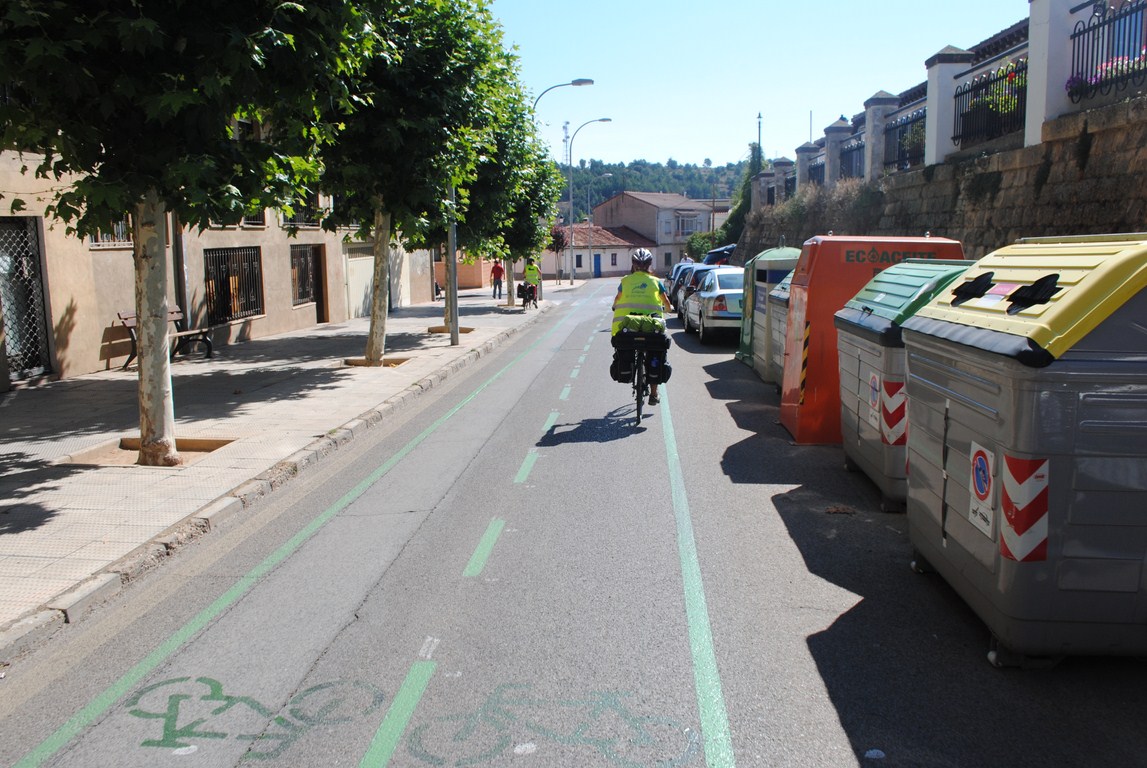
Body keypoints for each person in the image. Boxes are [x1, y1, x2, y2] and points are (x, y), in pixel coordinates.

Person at [611, 248, 672, 405]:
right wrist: (668, 309)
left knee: (627, 349)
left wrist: (614, 306)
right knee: (655, 353)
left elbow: (617, 299)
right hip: (651, 328)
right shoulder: (656, 282)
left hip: (628, 328)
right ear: (649, 265)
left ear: (633, 264)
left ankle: (631, 372)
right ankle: (654, 394)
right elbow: (666, 302)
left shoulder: (625, 281)